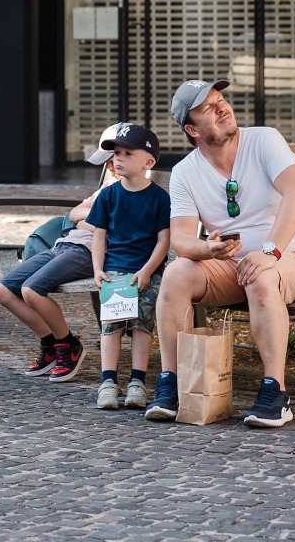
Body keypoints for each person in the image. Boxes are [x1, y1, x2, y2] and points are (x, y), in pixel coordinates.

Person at [148, 79, 295, 428]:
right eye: (209, 107)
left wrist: (270, 252)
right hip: (229, 265)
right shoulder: (185, 172)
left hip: (288, 257)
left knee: (261, 278)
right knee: (177, 273)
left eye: (221, 100)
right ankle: (172, 383)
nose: (222, 107)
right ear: (192, 129)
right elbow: (181, 239)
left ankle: (276, 392)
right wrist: (208, 248)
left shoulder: (264, 140)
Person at [0, 123, 126, 383]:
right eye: (107, 163)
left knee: (31, 290)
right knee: (3, 290)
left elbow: (113, 227)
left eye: (113, 160)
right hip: (63, 245)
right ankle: (51, 342)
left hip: (88, 252)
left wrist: (89, 221)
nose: (109, 167)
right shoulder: (105, 189)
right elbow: (74, 214)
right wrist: (93, 219)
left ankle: (68, 345)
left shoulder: (130, 193)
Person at [86, 123, 171, 411]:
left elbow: (163, 240)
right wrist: (98, 269)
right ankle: (108, 382)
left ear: (149, 162)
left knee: (141, 325)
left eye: (127, 153)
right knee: (110, 327)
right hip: (114, 273)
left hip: (146, 273)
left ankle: (137, 381)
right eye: (116, 153)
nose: (117, 159)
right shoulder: (109, 195)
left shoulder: (160, 198)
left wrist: (147, 271)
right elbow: (99, 235)